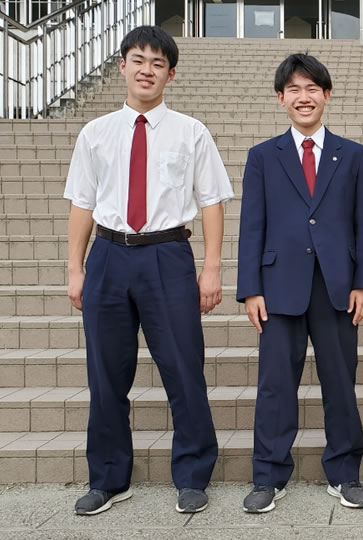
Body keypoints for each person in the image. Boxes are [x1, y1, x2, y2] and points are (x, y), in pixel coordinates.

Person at [64, 25, 233, 515]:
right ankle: (109, 479)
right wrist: (75, 268)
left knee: (184, 370)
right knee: (106, 375)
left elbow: (212, 203)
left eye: (158, 63)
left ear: (171, 74)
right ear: (122, 65)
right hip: (109, 256)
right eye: (138, 60)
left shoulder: (191, 132)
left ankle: (194, 474)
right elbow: (81, 203)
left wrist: (212, 268)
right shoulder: (95, 133)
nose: (147, 70)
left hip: (168, 256)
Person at [237, 53, 363, 513]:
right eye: (294, 90)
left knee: (340, 381)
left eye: (312, 88)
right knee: (276, 384)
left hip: (338, 286)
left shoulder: (354, 155)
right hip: (278, 286)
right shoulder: (262, 156)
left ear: (327, 95)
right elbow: (252, 226)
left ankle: (344, 472)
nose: (304, 97)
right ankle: (269, 476)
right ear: (281, 98)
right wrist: (250, 289)